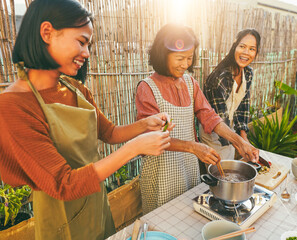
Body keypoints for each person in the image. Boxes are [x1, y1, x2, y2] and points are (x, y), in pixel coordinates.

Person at [0, 0, 173, 239]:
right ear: (47, 32)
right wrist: (134, 149)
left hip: (95, 201)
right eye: (81, 42)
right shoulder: (13, 105)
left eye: (89, 45)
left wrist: (145, 124)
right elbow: (64, 184)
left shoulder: (73, 88)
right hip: (60, 216)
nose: (87, 53)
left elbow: (109, 133)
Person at [135, 24, 259, 213]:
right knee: (163, 220)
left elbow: (209, 116)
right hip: (161, 171)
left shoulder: (190, 84)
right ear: (163, 55)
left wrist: (239, 142)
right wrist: (193, 146)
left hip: (188, 165)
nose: (185, 64)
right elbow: (151, 137)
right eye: (179, 58)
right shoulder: (147, 88)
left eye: (189, 58)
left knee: (187, 216)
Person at [200, 29, 261, 160]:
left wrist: (244, 140)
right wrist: (240, 144)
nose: (246, 52)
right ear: (235, 46)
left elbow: (243, 107)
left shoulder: (248, 73)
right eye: (242, 46)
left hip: (230, 130)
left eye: (252, 49)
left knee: (230, 169)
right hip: (213, 133)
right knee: (222, 173)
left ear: (256, 53)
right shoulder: (220, 78)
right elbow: (218, 119)